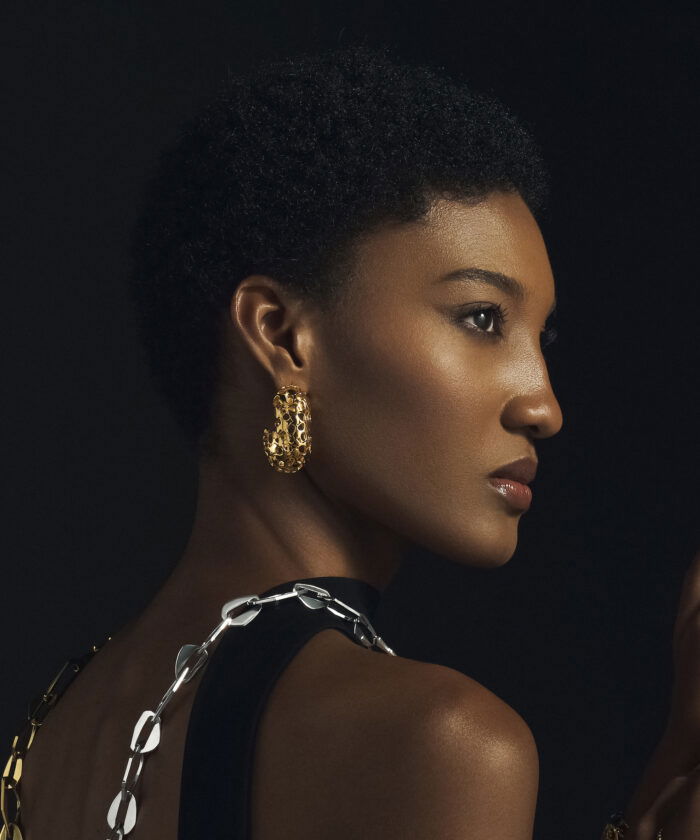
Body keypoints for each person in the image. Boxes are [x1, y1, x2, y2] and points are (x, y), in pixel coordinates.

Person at [7, 45, 700, 840]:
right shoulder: (443, 740)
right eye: (482, 319)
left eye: (543, 338)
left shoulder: (58, 724)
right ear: (283, 337)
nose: (543, 406)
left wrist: (670, 773)